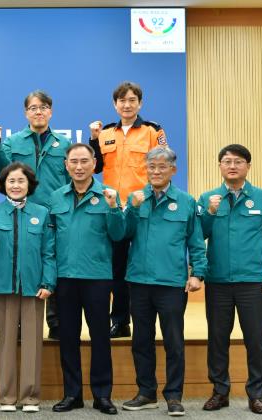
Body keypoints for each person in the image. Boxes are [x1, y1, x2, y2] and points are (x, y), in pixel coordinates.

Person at [121, 147, 206, 416]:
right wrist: (132, 209)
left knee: (173, 342)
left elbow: (196, 241)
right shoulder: (135, 198)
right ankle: (146, 392)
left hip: (172, 283)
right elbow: (122, 233)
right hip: (139, 281)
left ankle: (174, 396)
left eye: (161, 167)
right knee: (141, 341)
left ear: (173, 170)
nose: (156, 172)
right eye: (151, 167)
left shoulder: (186, 201)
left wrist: (197, 273)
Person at [198, 144, 262, 415]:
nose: (232, 166)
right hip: (218, 281)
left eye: (238, 161)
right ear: (220, 166)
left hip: (253, 281)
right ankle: (220, 392)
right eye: (227, 161)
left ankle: (256, 395)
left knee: (255, 340)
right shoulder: (208, 198)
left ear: (248, 166)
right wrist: (209, 213)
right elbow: (197, 235)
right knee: (217, 339)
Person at [88, 81, 167, 339]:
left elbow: (162, 167)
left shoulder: (152, 131)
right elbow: (96, 168)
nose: (127, 105)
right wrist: (93, 139)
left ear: (140, 103)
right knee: (117, 267)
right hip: (114, 210)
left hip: (142, 208)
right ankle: (120, 320)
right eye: (122, 101)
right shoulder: (105, 133)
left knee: (142, 264)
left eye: (132, 100)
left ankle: (143, 321)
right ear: (115, 104)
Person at [0, 90, 70, 340]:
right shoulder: (13, 142)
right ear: (26, 113)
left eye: (43, 107)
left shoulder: (63, 144)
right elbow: (4, 169)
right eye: (33, 108)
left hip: (56, 213)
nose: (39, 112)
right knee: (22, 263)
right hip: (23, 212)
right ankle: (19, 324)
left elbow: (71, 178)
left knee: (54, 262)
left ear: (51, 112)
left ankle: (55, 321)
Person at [49, 143, 123, 415]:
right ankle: (72, 394)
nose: (79, 167)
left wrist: (114, 208)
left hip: (97, 278)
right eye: (74, 162)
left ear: (94, 164)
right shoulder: (56, 197)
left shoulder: (108, 195)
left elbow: (119, 234)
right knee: (68, 337)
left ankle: (102, 395)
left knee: (100, 337)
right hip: (65, 277)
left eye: (84, 161)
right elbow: (50, 240)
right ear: (66, 165)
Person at [0, 162, 56, 412]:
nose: (16, 185)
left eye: (21, 181)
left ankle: (30, 397)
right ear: (3, 185)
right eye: (11, 181)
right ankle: (7, 397)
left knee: (33, 343)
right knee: (6, 342)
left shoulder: (41, 213)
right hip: (4, 286)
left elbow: (49, 252)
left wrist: (48, 282)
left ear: (29, 184)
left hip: (34, 288)